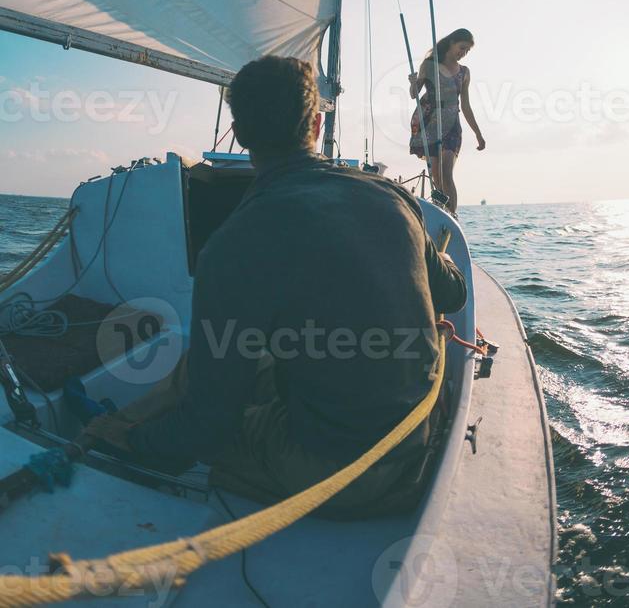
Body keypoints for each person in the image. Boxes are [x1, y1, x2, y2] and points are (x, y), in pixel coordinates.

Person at [85, 56, 466, 513]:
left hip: (342, 477)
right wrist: (428, 254)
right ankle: (124, 426)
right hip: (415, 444)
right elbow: (454, 294)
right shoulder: (395, 200)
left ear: (241, 134)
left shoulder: (232, 243)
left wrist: (137, 443)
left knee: (215, 388)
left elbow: (209, 427)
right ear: (318, 121)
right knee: (223, 365)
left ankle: (109, 433)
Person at [409, 28, 486, 214]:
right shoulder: (430, 65)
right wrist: (413, 82)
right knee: (436, 175)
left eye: (467, 51)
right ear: (451, 43)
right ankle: (441, 212)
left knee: (446, 172)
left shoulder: (464, 72)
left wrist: (478, 133)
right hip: (429, 120)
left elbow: (466, 106)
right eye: (461, 48)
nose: (463, 53)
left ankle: (452, 215)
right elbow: (414, 94)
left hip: (451, 123)